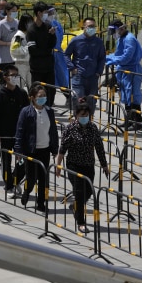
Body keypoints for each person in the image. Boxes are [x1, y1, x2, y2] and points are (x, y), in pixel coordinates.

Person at [55, 100, 109, 234]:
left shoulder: (93, 128)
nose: (85, 117)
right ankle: (81, 222)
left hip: (89, 165)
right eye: (82, 115)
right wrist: (58, 165)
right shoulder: (70, 129)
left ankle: (76, 207)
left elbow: (99, 148)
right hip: (74, 166)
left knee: (89, 191)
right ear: (76, 116)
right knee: (79, 193)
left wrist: (104, 165)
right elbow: (62, 149)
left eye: (87, 115)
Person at [15, 84, 58, 213]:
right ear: (33, 98)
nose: (43, 98)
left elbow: (53, 131)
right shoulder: (26, 112)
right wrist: (18, 150)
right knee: (31, 178)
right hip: (31, 150)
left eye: (44, 96)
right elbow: (20, 132)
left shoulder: (49, 111)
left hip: (45, 150)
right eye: (40, 96)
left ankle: (41, 203)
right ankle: (27, 191)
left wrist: (55, 148)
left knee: (43, 179)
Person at [0, 66, 29, 198]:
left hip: (20, 135)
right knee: (6, 161)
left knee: (23, 162)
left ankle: (15, 180)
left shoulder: (22, 94)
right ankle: (9, 186)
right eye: (12, 75)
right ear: (5, 77)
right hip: (4, 134)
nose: (15, 78)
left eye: (16, 75)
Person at [106, 20, 142, 130]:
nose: (113, 33)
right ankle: (132, 120)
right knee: (126, 95)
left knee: (132, 96)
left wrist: (111, 60)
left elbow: (127, 57)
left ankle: (135, 121)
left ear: (121, 29)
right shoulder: (121, 39)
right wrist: (109, 57)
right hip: (124, 70)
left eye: (114, 31)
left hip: (131, 70)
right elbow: (118, 54)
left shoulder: (129, 39)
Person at [64, 17, 106, 114]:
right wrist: (72, 68)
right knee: (79, 101)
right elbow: (66, 54)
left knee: (91, 102)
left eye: (93, 26)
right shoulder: (76, 40)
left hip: (93, 77)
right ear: (84, 27)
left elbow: (102, 58)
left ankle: (89, 123)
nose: (92, 28)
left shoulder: (99, 42)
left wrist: (99, 72)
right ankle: (77, 124)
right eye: (89, 26)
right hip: (79, 76)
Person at [26, 1, 57, 107]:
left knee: (51, 92)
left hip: (48, 67)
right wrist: (45, 50)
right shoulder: (31, 30)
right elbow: (33, 51)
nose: (46, 15)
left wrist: (52, 35)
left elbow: (52, 45)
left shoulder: (48, 26)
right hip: (37, 68)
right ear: (39, 13)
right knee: (37, 92)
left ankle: (48, 110)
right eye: (44, 12)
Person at [10, 15, 33, 89]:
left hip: (29, 64)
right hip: (21, 64)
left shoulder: (28, 35)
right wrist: (28, 48)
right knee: (19, 86)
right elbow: (14, 50)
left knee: (32, 87)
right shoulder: (19, 36)